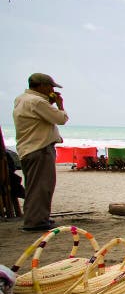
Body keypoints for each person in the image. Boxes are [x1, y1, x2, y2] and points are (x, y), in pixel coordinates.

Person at [12, 73, 68, 231]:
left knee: (33, 186)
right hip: (40, 148)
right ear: (42, 86)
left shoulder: (22, 99)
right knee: (42, 186)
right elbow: (61, 119)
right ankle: (36, 222)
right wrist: (59, 104)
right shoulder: (37, 102)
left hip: (28, 148)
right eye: (50, 86)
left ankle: (35, 217)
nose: (52, 89)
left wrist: (48, 102)